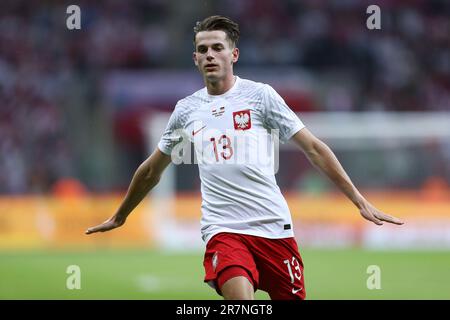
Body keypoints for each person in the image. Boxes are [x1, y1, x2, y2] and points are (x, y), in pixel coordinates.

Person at [86, 15, 404, 300]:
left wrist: (359, 200)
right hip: (223, 231)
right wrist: (121, 214)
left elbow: (314, 149)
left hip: (273, 229)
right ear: (195, 58)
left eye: (218, 47)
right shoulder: (186, 110)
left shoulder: (260, 96)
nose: (210, 54)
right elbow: (152, 170)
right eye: (203, 49)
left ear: (233, 54)